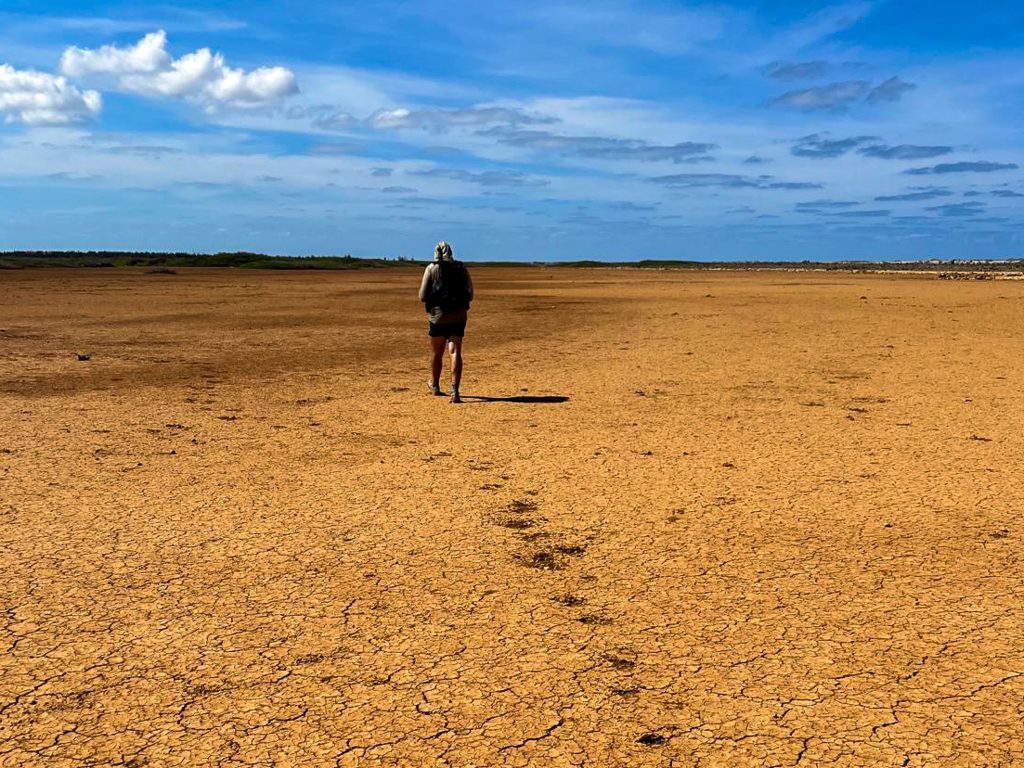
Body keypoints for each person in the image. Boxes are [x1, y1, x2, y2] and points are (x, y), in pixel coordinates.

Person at [419, 241, 473, 403]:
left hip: (438, 316)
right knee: (455, 351)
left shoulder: (431, 268)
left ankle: (434, 385)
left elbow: (422, 296)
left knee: (437, 352)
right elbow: (470, 294)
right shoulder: (461, 268)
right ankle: (455, 390)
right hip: (458, 316)